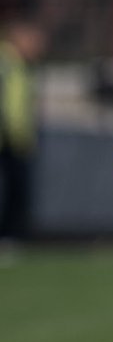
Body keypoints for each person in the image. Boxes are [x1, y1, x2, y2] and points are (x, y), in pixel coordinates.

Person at [0, 17, 45, 241]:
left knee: (18, 189)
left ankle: (12, 236)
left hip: (17, 139)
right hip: (8, 138)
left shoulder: (21, 64)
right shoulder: (6, 62)